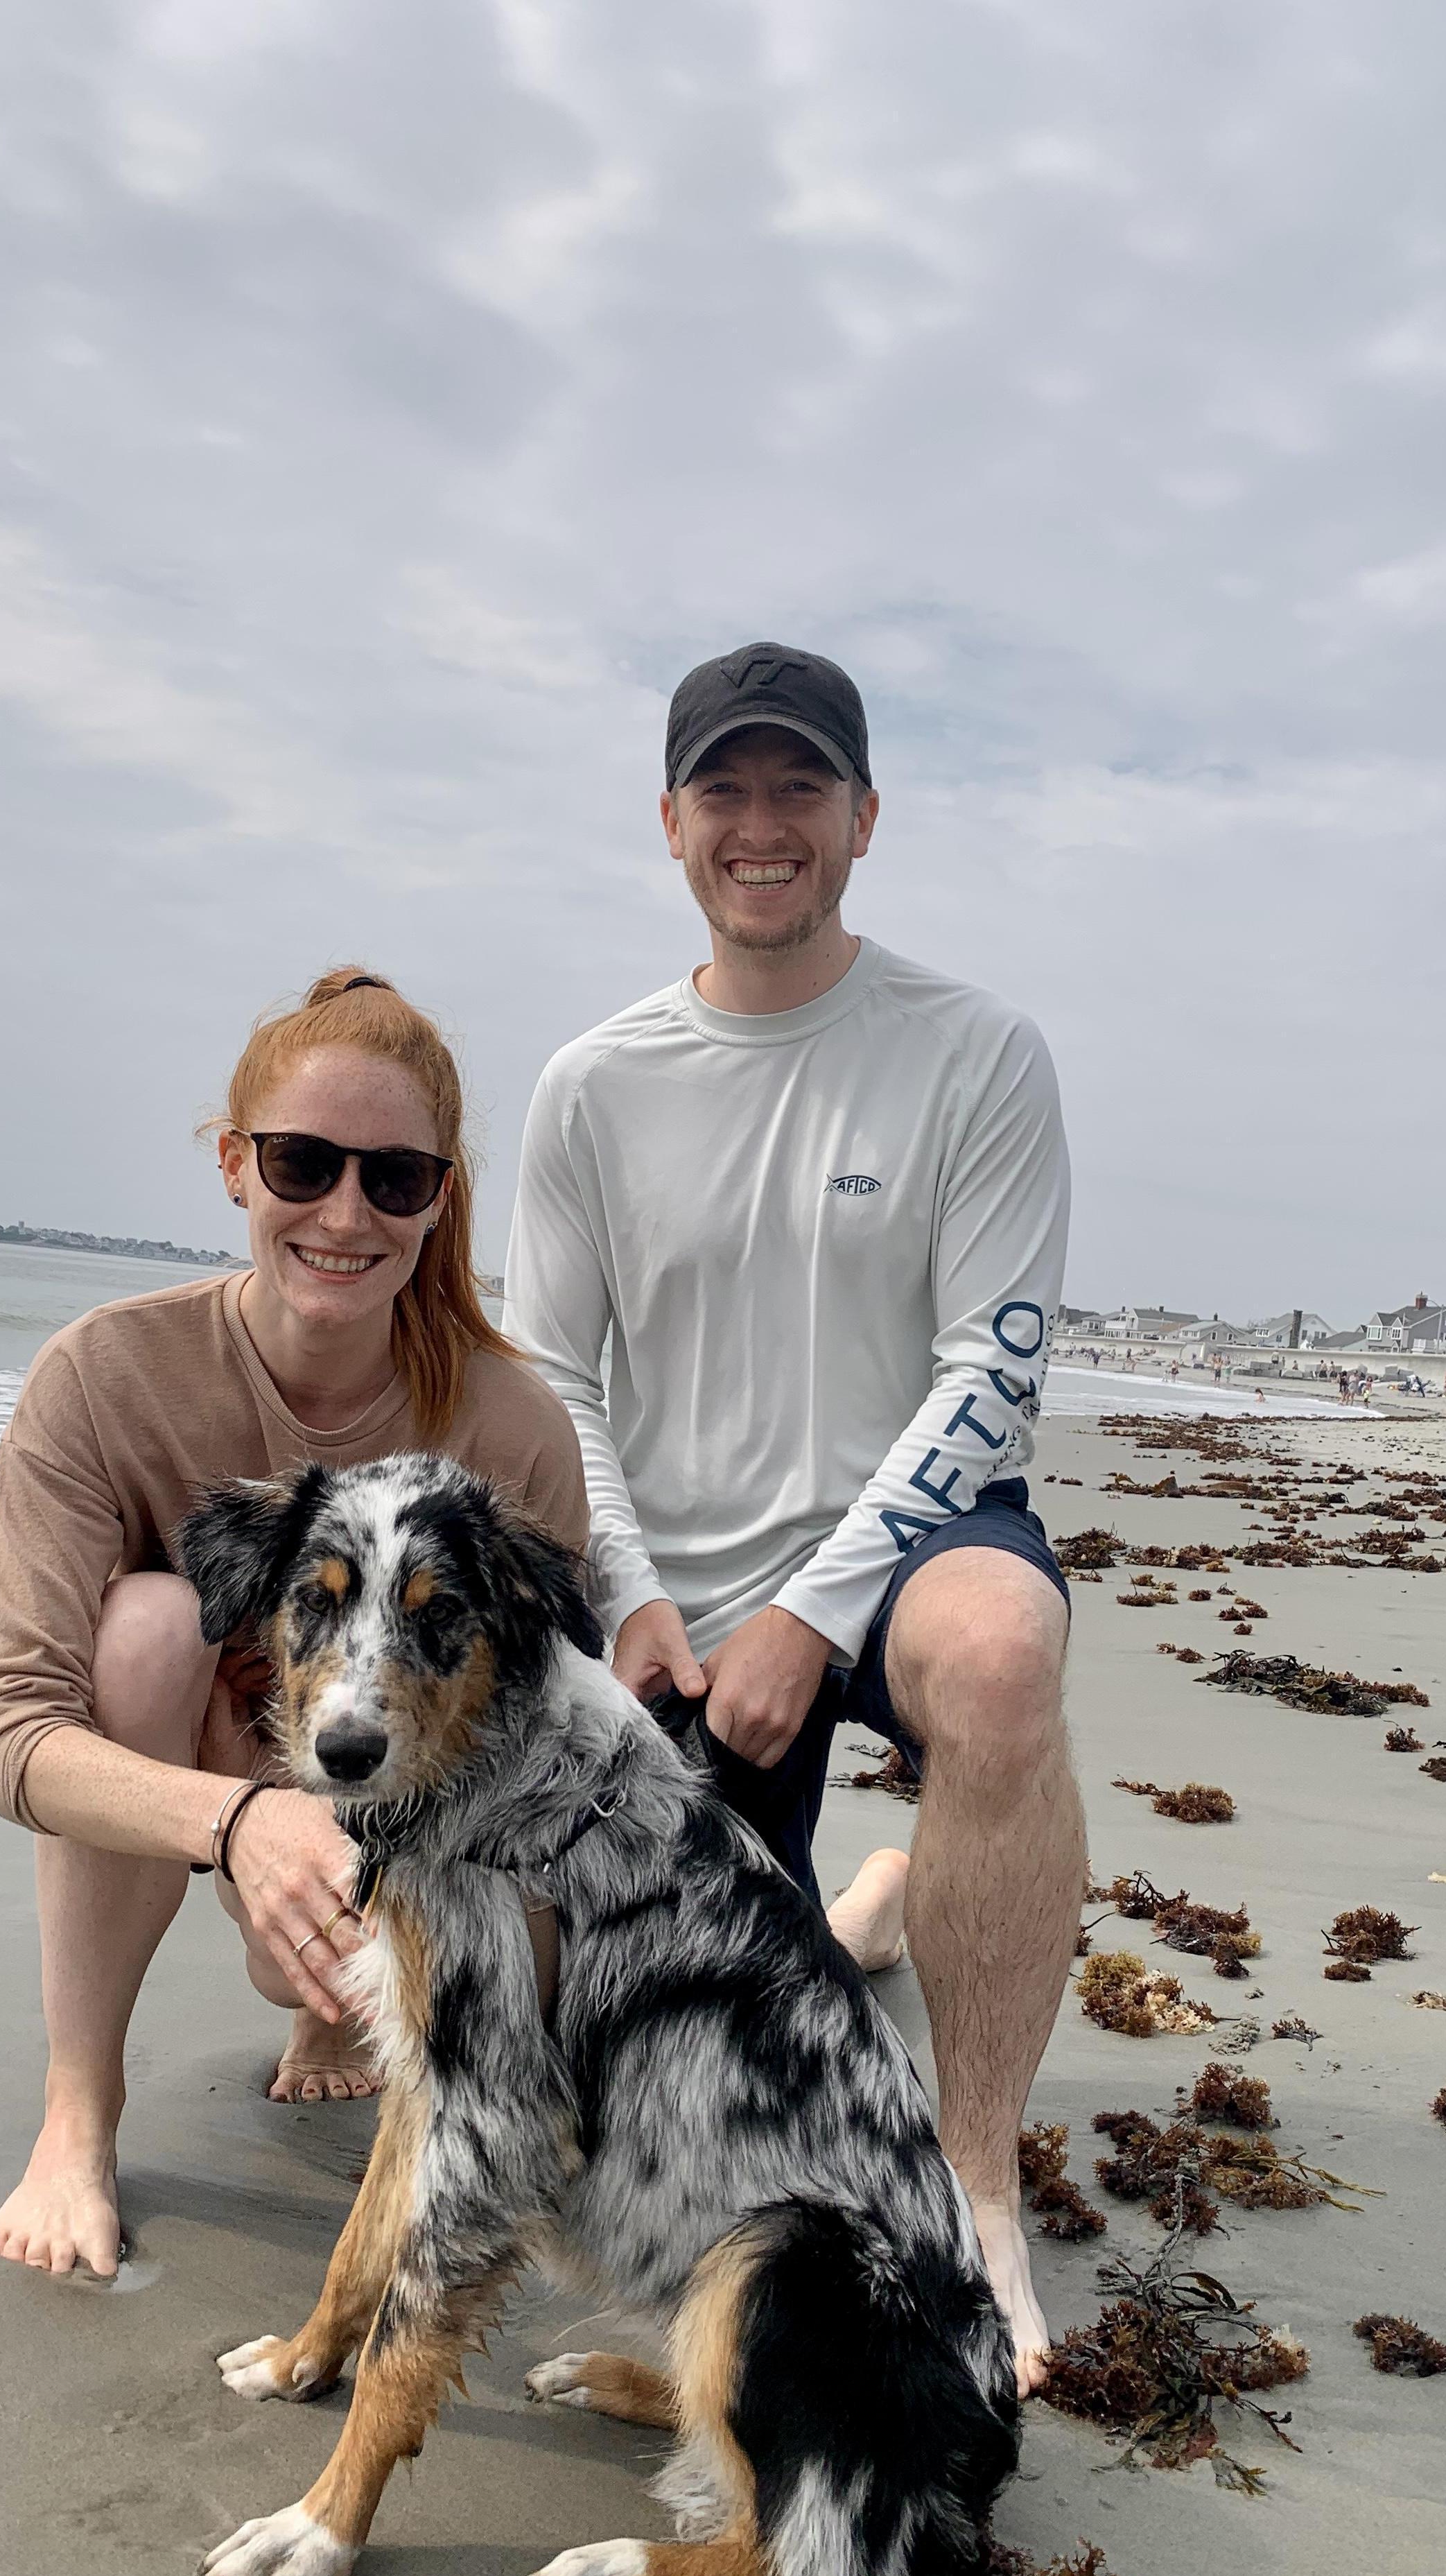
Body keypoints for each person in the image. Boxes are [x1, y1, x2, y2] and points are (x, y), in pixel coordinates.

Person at [505, 642, 1085, 2396]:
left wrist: (817, 1611)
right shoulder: (594, 1084)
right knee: (649, 2049)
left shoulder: (973, 1052)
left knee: (997, 1658)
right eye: (728, 792)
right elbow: (553, 1378)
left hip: (902, 1555)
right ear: (673, 822)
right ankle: (866, 1914)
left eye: (802, 790)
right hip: (671, 1593)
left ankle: (975, 2184)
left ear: (863, 819)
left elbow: (999, 1359)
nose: (765, 827)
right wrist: (629, 1593)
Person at [0, 970, 589, 2278]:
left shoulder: (510, 1429)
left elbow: (552, 1736)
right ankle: (80, 2109)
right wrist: (246, 1825)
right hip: (206, 1776)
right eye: (303, 1164)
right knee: (140, 1627)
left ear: (442, 1199)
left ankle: (856, 1917)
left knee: (398, 1998)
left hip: (413, 1817)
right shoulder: (103, 1376)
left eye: (396, 1180)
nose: (345, 1213)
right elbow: (9, 1730)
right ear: (237, 1167)